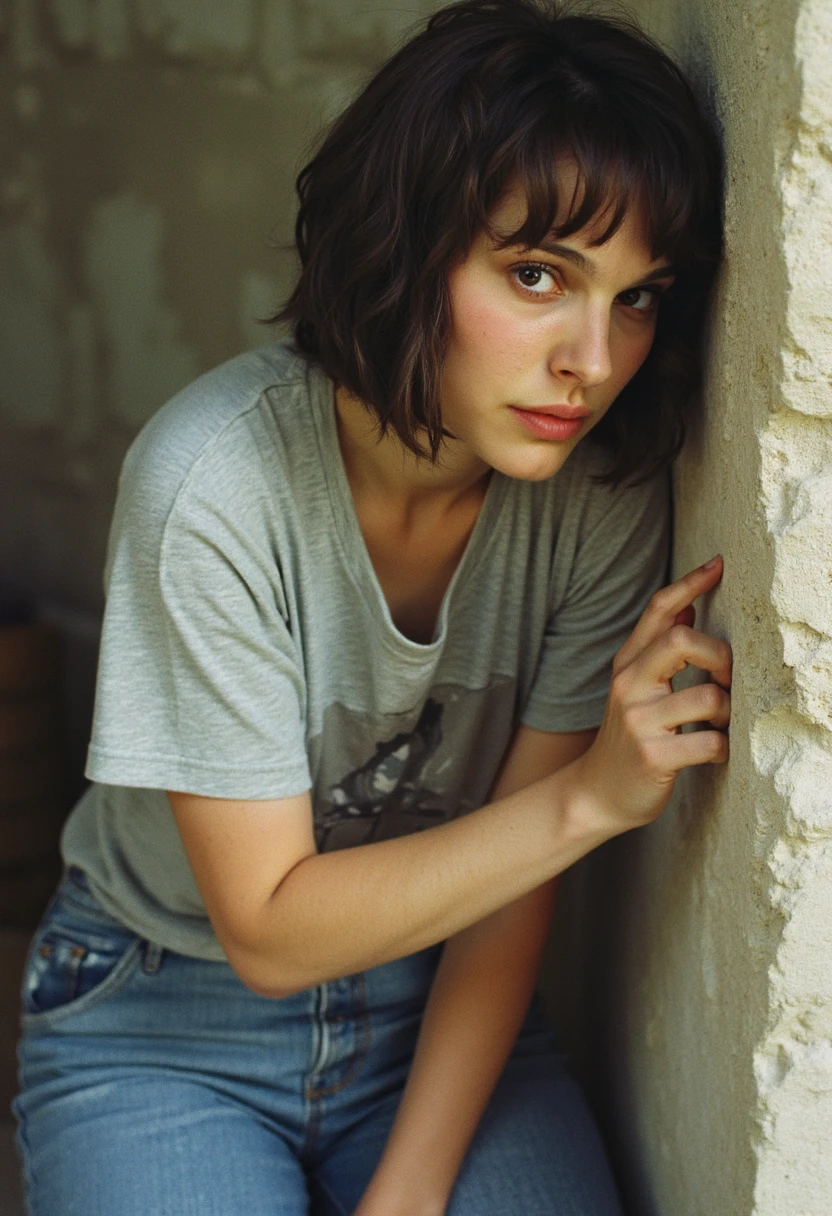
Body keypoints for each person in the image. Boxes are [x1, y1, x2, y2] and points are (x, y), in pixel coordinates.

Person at [14, 2, 728, 1213]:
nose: (593, 362)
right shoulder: (214, 483)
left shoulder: (598, 491)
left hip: (437, 1008)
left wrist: (406, 1193)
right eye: (539, 275)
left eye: (637, 295)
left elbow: (507, 900)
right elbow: (271, 933)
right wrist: (593, 798)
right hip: (164, 1012)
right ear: (402, 245)